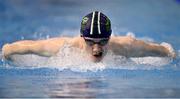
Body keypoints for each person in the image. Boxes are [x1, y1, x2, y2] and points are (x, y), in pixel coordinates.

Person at [2, 11, 176, 62]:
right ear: (81, 37)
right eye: (91, 42)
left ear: (110, 37)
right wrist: (6, 52)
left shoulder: (126, 46)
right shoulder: (64, 47)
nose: (97, 49)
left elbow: (166, 51)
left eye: (103, 41)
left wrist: (173, 54)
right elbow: (27, 46)